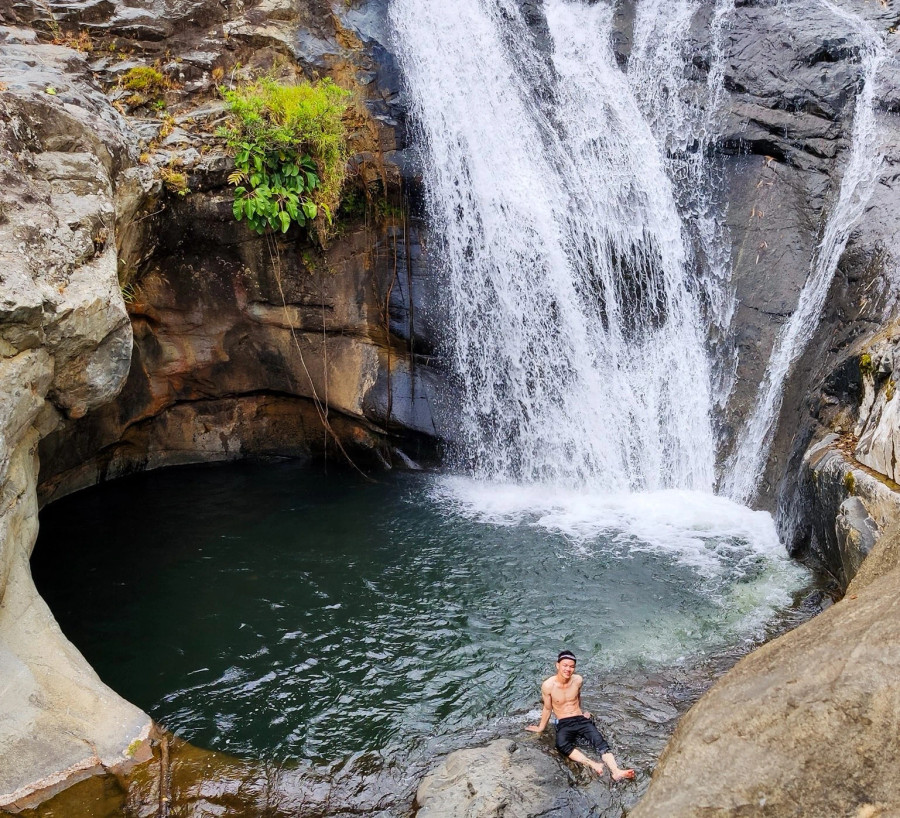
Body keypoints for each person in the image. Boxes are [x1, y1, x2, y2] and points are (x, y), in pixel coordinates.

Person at [526, 650, 635, 781]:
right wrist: (540, 728)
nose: (568, 669)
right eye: (565, 665)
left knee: (601, 743)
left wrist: (582, 713)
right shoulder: (548, 685)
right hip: (564, 722)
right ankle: (593, 764)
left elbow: (577, 698)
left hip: (580, 719)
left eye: (572, 666)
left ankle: (616, 771)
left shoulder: (578, 680)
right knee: (561, 745)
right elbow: (547, 708)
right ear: (557, 665)